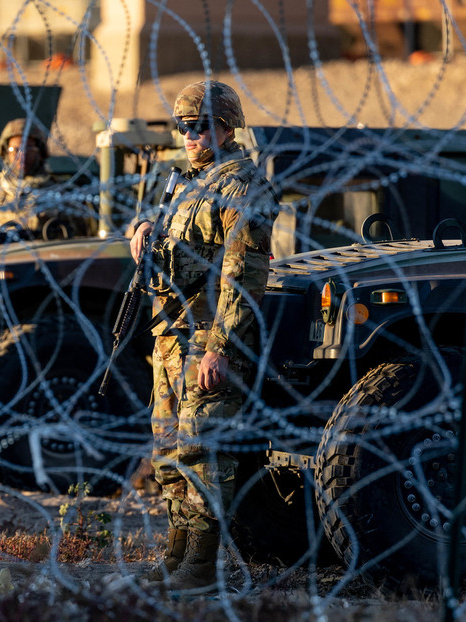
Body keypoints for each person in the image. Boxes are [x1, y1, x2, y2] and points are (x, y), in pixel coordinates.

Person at [130, 80, 277, 593]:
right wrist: (143, 231)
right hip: (172, 336)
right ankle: (178, 555)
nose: (190, 135)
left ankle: (201, 565)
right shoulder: (189, 184)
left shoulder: (241, 186)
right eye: (184, 127)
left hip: (208, 339)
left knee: (204, 451)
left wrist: (221, 348)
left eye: (200, 126)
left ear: (227, 128)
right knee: (169, 452)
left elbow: (244, 274)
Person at [0, 117, 91, 239]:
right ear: (6, 153)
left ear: (40, 153)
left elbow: (82, 244)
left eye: (28, 149)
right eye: (15, 149)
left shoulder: (62, 199)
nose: (21, 155)